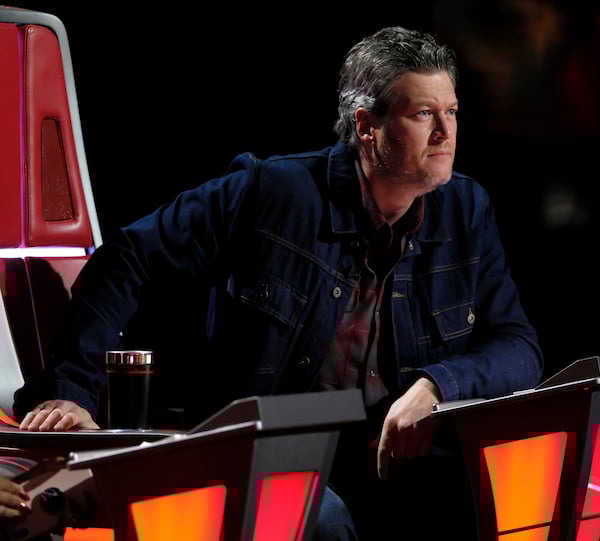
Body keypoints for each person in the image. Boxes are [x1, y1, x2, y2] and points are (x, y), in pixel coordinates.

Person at [14, 26, 543, 540]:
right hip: (272, 452)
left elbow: (519, 346)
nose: (446, 133)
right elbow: (128, 257)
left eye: (451, 112)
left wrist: (435, 385)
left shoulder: (466, 209)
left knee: (507, 498)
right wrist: (71, 394)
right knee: (320, 519)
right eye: (423, 114)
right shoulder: (271, 191)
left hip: (393, 454)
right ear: (366, 126)